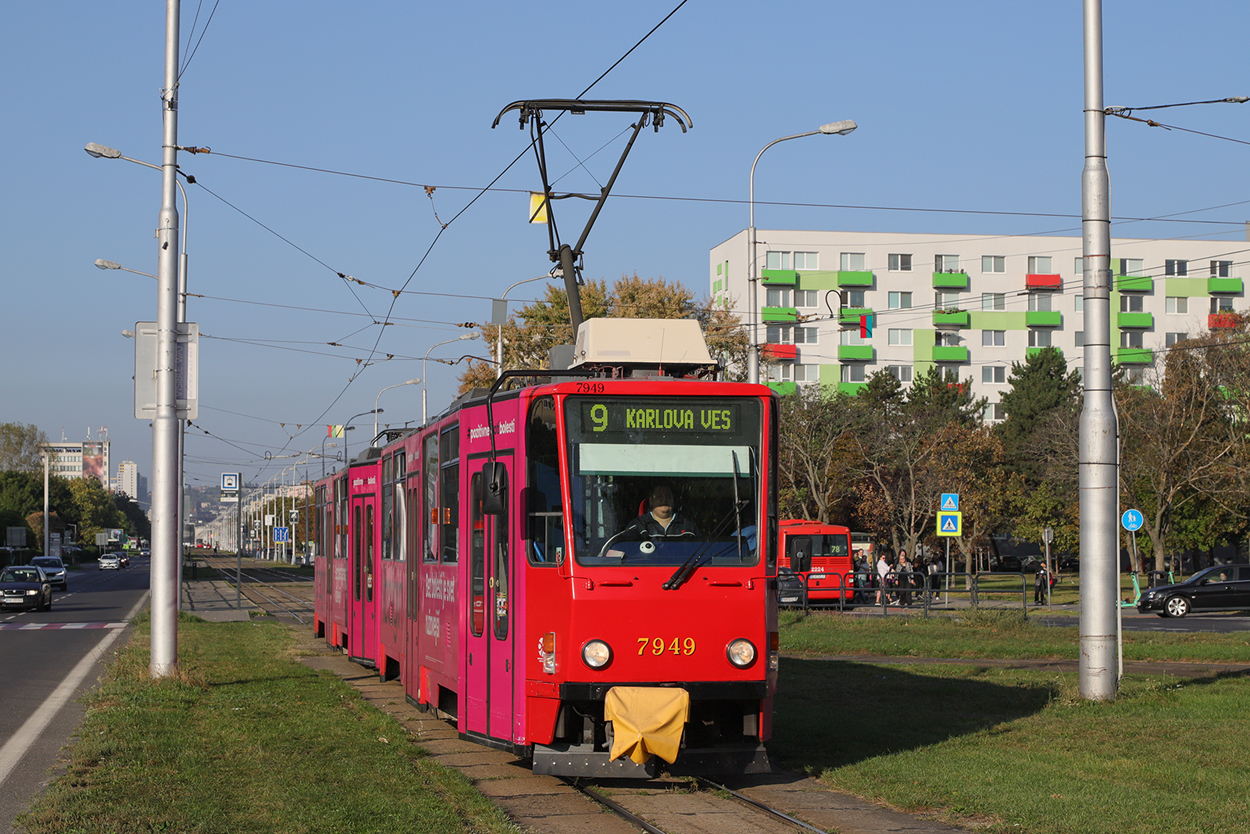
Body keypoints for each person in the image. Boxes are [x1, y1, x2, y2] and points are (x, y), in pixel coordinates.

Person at [622, 484, 699, 539]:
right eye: (659, 496)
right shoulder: (637, 526)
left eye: (668, 496)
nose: (664, 499)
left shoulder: (689, 526)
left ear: (673, 500)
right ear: (651, 501)